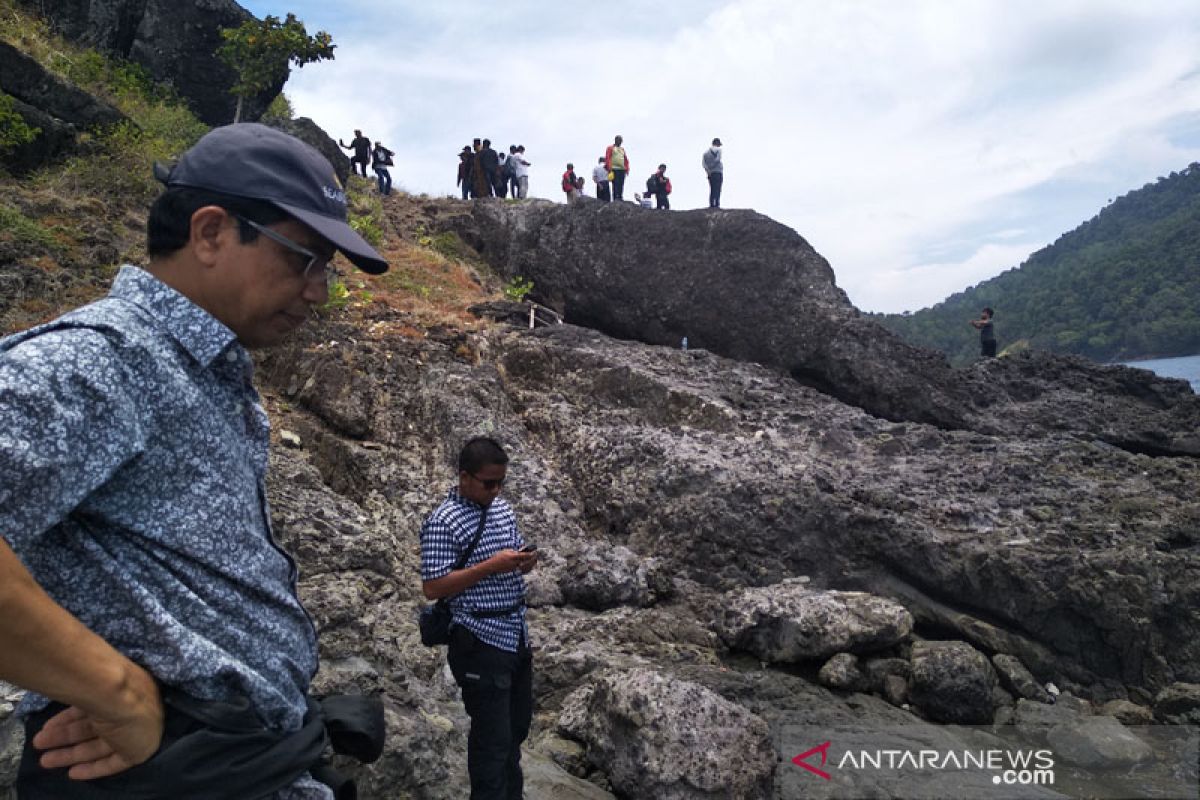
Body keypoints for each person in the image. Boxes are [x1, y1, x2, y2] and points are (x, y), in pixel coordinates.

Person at [0, 123, 389, 798]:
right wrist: (118, 692)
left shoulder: (202, 372)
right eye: (307, 259)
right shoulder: (105, 359)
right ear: (210, 233)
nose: (319, 291)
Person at [420, 437, 537, 800]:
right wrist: (491, 566)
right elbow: (434, 585)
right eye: (489, 483)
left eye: (501, 482)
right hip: (478, 639)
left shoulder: (501, 508)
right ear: (464, 477)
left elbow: (513, 550)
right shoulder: (444, 520)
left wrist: (524, 561)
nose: (496, 489)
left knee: (515, 732)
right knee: (492, 742)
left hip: (515, 634)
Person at [604, 135, 630, 201]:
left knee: (621, 184)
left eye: (621, 141)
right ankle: (615, 197)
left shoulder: (622, 149)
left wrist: (627, 169)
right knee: (615, 183)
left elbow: (625, 159)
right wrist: (609, 168)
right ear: (615, 140)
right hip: (614, 168)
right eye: (619, 140)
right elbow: (608, 157)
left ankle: (620, 196)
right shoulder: (610, 148)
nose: (620, 142)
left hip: (622, 169)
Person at [702, 137, 723, 208]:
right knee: (718, 189)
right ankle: (717, 204)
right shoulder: (719, 150)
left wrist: (708, 171)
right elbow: (718, 159)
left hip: (710, 174)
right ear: (717, 143)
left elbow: (704, 164)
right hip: (717, 171)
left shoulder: (705, 153)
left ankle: (711, 204)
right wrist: (713, 166)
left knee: (712, 189)